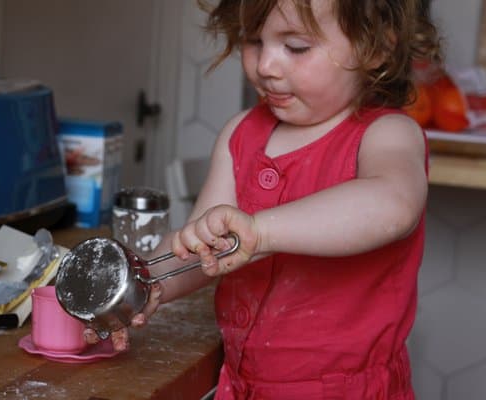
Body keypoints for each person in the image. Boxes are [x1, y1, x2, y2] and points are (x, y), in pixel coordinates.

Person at [86, 0, 441, 398]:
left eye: (296, 47)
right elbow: (203, 249)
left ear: (376, 48)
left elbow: (392, 205)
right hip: (242, 384)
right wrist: (144, 283)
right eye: (254, 41)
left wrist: (259, 230)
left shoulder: (386, 135)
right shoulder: (242, 134)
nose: (266, 66)